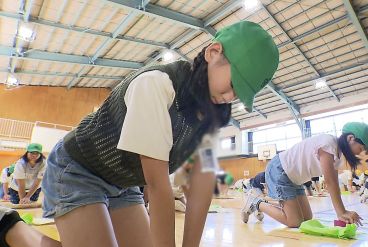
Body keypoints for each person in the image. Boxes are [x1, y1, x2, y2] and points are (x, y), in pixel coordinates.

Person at [0, 20, 279, 247]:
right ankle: (11, 227)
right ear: (213, 52)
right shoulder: (157, 85)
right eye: (232, 83)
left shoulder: (208, 116)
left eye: (238, 94)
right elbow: (158, 188)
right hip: (77, 170)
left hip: (122, 182)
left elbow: (202, 189)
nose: (229, 97)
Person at [241, 122, 368, 227]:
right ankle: (257, 203)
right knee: (294, 222)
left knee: (306, 218)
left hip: (295, 179)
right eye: (361, 148)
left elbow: (333, 182)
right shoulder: (328, 144)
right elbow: (330, 182)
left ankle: (260, 205)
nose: (359, 153)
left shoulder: (338, 155)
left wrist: (342, 211)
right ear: (351, 138)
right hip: (281, 170)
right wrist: (342, 212)